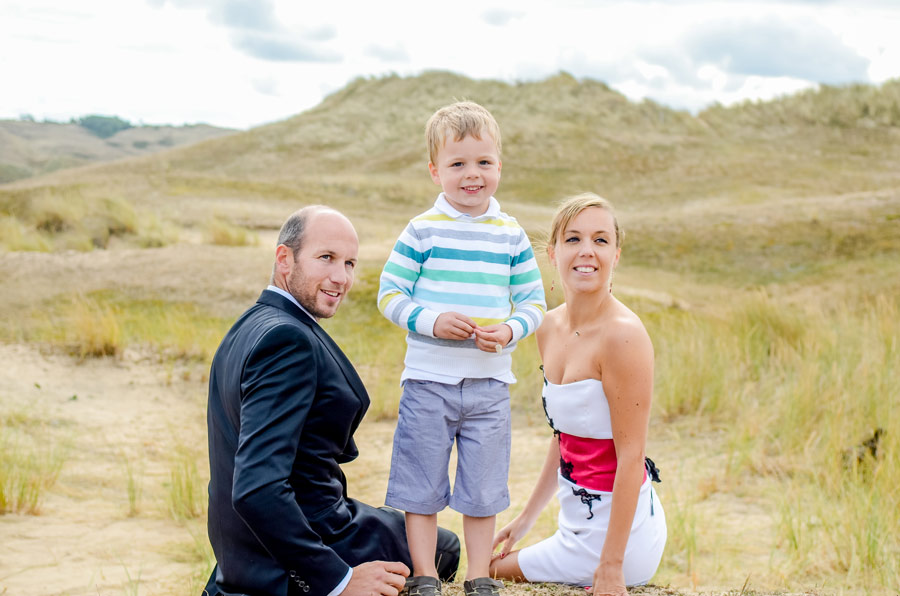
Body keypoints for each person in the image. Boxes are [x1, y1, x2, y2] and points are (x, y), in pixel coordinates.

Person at [204, 206, 460, 596]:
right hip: (311, 539)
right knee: (446, 551)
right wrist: (337, 580)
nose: (341, 278)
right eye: (326, 258)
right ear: (284, 259)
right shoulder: (286, 342)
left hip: (255, 544)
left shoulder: (251, 324)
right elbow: (256, 487)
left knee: (430, 538)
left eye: (350, 263)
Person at [377, 101, 546, 596]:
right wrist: (432, 321)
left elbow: (534, 302)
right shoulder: (422, 229)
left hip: (489, 385)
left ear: (499, 166)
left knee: (483, 486)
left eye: (484, 163)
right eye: (457, 164)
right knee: (421, 483)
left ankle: (478, 575)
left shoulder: (510, 234)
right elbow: (389, 294)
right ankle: (426, 574)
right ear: (435, 171)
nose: (472, 175)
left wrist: (512, 330)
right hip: (428, 381)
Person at [490, 193, 666, 596]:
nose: (587, 251)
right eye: (573, 239)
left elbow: (631, 455)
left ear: (616, 255)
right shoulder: (548, 327)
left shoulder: (624, 335)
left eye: (600, 240)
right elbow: (565, 435)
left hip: (621, 536)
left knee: (488, 572)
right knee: (488, 565)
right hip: (576, 524)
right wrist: (526, 519)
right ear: (553, 253)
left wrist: (611, 567)